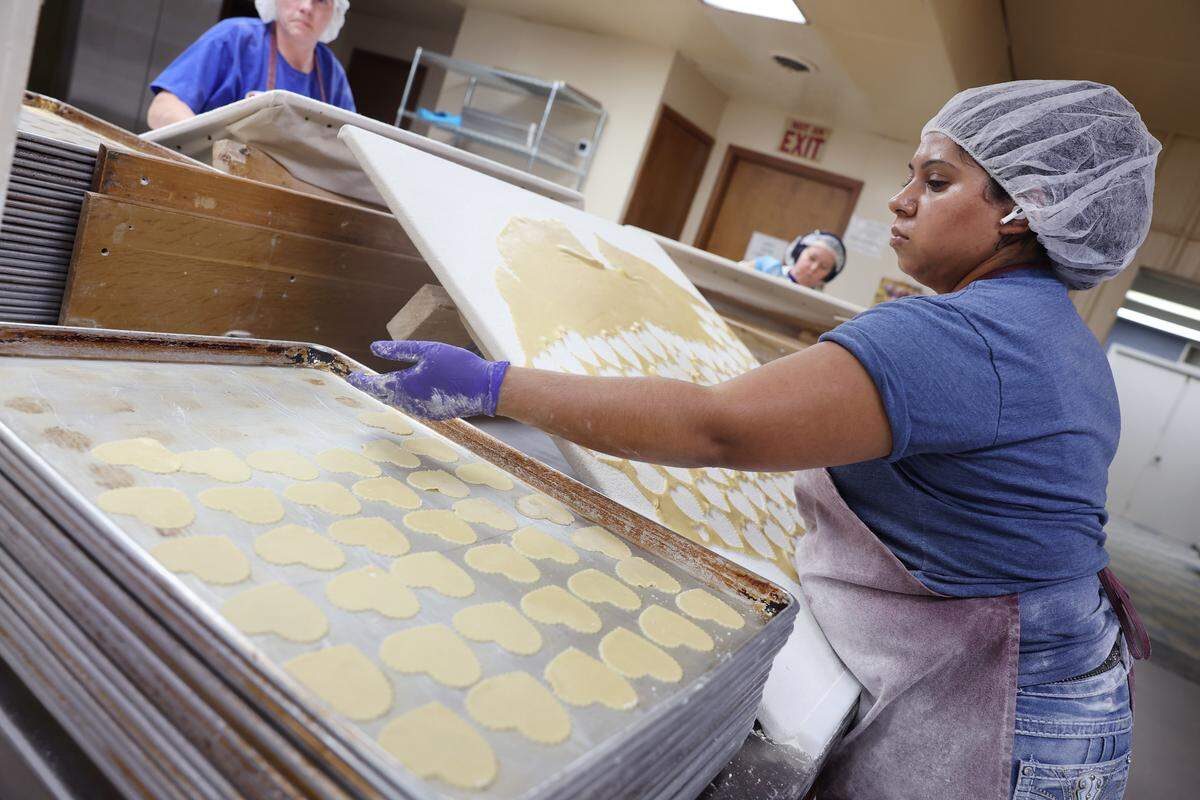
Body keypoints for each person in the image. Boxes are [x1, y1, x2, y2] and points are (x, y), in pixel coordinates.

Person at [348, 80, 1158, 800]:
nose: (901, 201)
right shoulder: (1062, 342)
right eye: (910, 174)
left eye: (937, 181)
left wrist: (494, 386)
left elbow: (718, 426)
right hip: (1075, 701)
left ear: (1026, 206)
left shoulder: (964, 338)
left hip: (1002, 721)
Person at [146, 0, 354, 130]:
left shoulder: (333, 76)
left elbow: (353, 149)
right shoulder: (234, 38)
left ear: (335, 13)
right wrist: (215, 150)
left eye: (321, 0)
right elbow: (162, 109)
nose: (306, 7)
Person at [744, 230, 846, 289]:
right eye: (812, 258)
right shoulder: (767, 268)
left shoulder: (817, 306)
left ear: (828, 276)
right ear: (798, 253)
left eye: (823, 267)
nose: (814, 268)